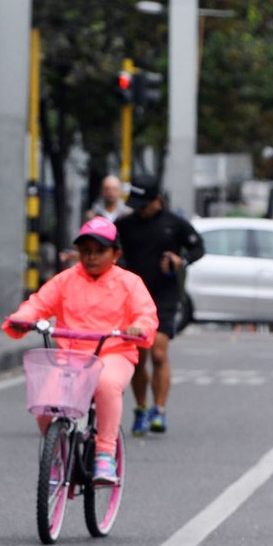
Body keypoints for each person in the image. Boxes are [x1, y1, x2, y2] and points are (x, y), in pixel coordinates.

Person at [4, 217, 157, 482]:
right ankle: (57, 454)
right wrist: (21, 319)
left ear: (116, 254)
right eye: (86, 251)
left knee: (107, 383)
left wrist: (138, 327)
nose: (91, 257)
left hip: (114, 352)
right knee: (44, 400)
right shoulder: (66, 280)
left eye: (100, 251)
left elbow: (146, 315)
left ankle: (105, 454)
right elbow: (38, 303)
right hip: (71, 356)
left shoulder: (129, 282)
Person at [114, 173, 204, 436]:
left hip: (165, 296)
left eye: (145, 203)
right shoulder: (124, 225)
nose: (140, 209)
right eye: (137, 204)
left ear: (157, 200)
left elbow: (198, 249)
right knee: (139, 357)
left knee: (159, 353)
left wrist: (180, 261)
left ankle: (159, 410)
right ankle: (141, 408)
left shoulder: (175, 224)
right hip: (134, 298)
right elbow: (111, 251)